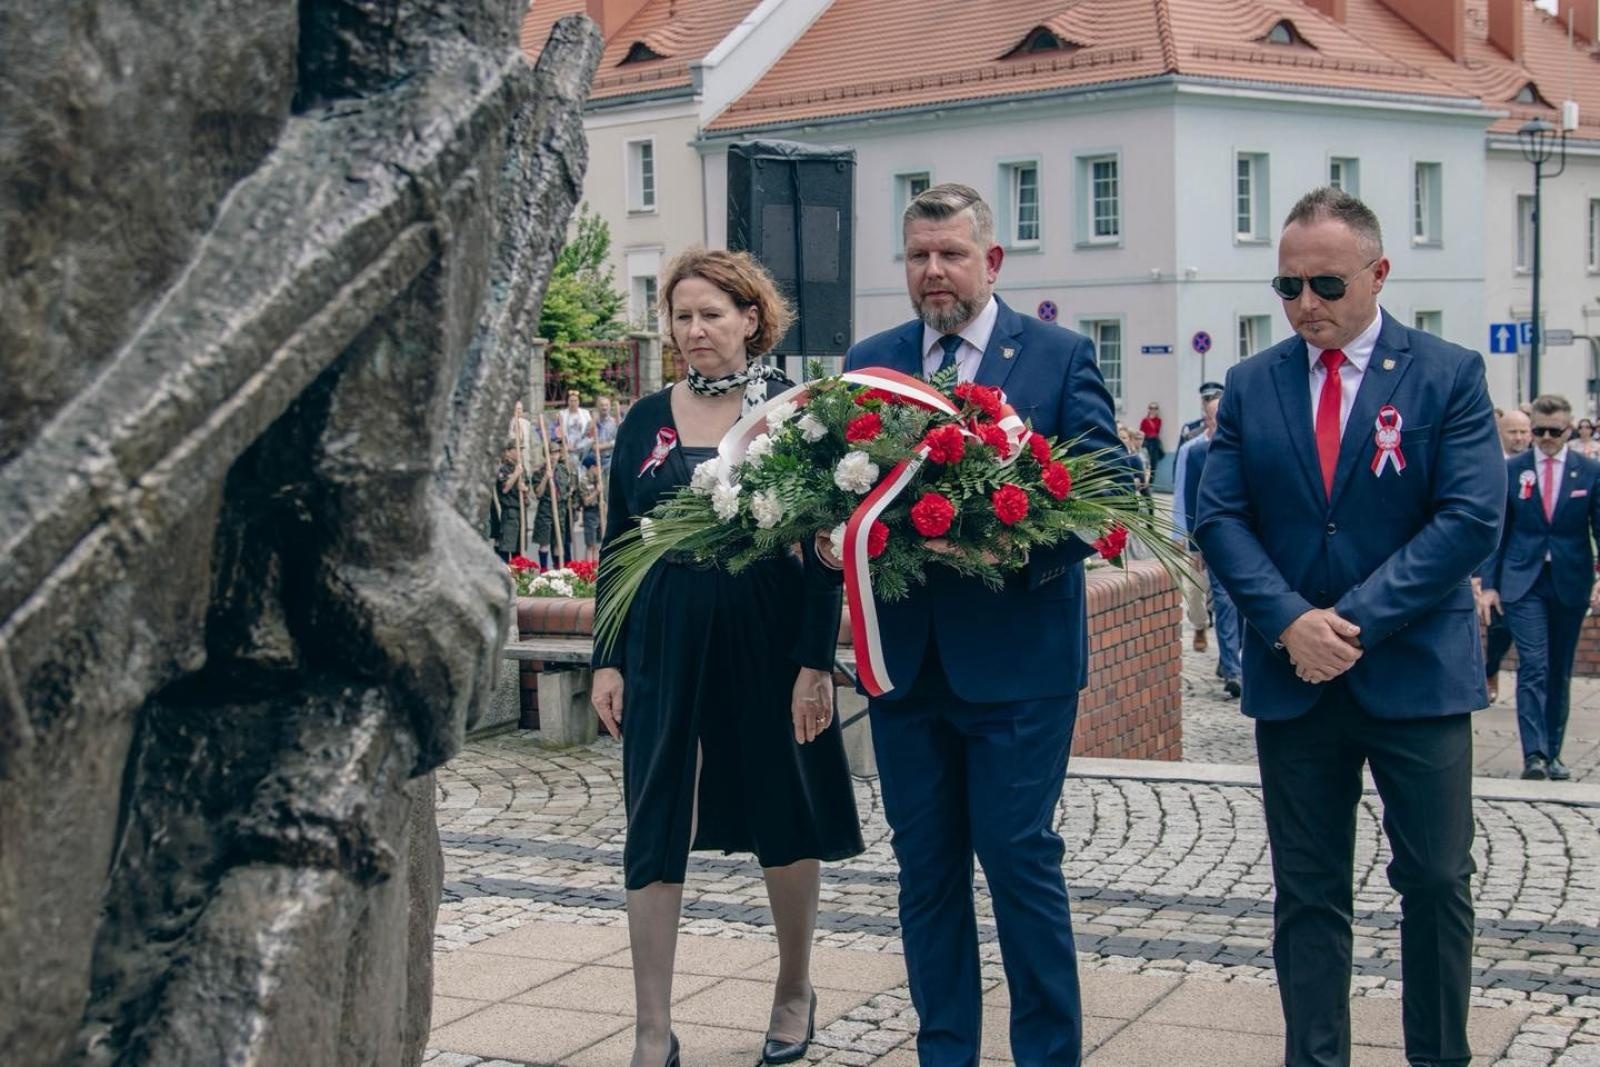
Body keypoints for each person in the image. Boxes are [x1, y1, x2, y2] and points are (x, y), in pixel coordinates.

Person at [1195, 186, 1503, 1067]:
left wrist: (1350, 623)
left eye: (1325, 286)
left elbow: (1469, 519)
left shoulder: (1448, 374)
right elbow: (1220, 518)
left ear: (1378, 273)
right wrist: (1291, 622)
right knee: (1309, 890)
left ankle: (1439, 1055)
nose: (1304, 307)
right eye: (1287, 288)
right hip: (1295, 680)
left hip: (1415, 673)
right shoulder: (1255, 383)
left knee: (1438, 880)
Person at [836, 183, 1124, 1066]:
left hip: (1020, 668)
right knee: (925, 875)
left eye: (951, 254)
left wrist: (1017, 550)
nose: (933, 271)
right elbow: (836, 482)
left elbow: (1110, 490)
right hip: (905, 667)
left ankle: (1048, 1054)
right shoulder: (872, 361)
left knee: (1018, 863)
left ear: (990, 262)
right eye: (919, 255)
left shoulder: (1057, 356)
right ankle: (945, 1051)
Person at [591, 248, 863, 1067]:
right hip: (662, 641)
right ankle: (650, 1027)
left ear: (752, 318)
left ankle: (793, 989)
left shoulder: (793, 412)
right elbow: (614, 545)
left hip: (767, 634)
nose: (695, 329)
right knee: (654, 819)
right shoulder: (645, 419)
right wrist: (605, 657)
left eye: (712, 313)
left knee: (785, 809)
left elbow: (823, 548)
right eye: (682, 315)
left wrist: (814, 660)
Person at [1479, 394, 1600, 782]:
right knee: (1533, 665)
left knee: (1558, 671)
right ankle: (1534, 754)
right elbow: (1499, 531)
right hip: (1522, 579)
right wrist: (1490, 584)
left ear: (1569, 429)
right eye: (1539, 431)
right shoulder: (1512, 469)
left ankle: (1554, 752)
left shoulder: (1589, 471)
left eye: (1554, 431)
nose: (1546, 438)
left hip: (1569, 580)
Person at [1171, 391, 1242, 698]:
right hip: (1215, 540)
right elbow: (1188, 499)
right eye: (1211, 416)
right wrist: (1192, 545)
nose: (1214, 422)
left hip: (1249, 541)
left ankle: (1231, 656)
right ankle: (1233, 669)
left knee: (1243, 606)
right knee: (1224, 603)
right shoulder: (1196, 452)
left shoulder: (1247, 447)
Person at [1478, 408, 1534, 699]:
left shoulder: (1538, 466)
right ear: (1501, 431)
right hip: (1495, 559)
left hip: (1528, 562)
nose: (1520, 437)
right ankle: (1490, 671)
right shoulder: (1490, 464)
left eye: (1525, 431)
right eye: (1513, 431)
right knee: (1499, 629)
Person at [489, 438, 524, 562]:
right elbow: (504, 489)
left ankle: (517, 578)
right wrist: (515, 474)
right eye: (517, 450)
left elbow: (527, 490)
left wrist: (524, 489)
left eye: (521, 450)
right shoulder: (504, 469)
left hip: (521, 510)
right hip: (509, 512)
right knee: (507, 545)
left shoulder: (520, 468)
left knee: (519, 547)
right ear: (508, 452)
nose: (520, 453)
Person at [578, 452, 603, 562]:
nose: (599, 469)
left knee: (597, 544)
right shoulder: (584, 481)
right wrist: (596, 492)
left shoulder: (598, 480)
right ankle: (588, 568)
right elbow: (586, 501)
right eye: (598, 467)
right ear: (592, 467)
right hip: (589, 514)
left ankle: (595, 567)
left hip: (598, 513)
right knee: (590, 545)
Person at [559, 388, 593, 463]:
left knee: (589, 441)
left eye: (575, 401)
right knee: (573, 458)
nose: (573, 403)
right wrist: (566, 443)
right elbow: (561, 431)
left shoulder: (585, 413)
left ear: (579, 402)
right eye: (571, 401)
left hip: (582, 441)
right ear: (567, 402)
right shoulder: (562, 414)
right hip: (569, 441)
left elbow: (590, 428)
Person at [1139, 401, 1165, 473]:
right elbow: (1141, 432)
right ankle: (1146, 482)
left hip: (1154, 443)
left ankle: (1150, 482)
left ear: (1157, 410)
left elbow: (1156, 431)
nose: (1153, 410)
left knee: (1153, 465)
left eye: (1155, 408)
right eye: (1151, 408)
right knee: (1146, 463)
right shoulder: (1144, 420)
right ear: (1149, 409)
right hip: (1146, 443)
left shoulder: (1159, 420)